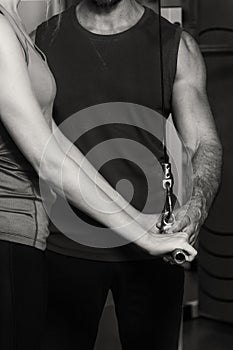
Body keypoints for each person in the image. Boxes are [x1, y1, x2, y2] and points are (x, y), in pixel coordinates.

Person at [0, 0, 197, 349]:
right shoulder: (17, 31)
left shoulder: (14, 24)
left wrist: (141, 222)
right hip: (18, 236)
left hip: (31, 236)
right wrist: (145, 236)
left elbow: (56, 143)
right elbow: (48, 160)